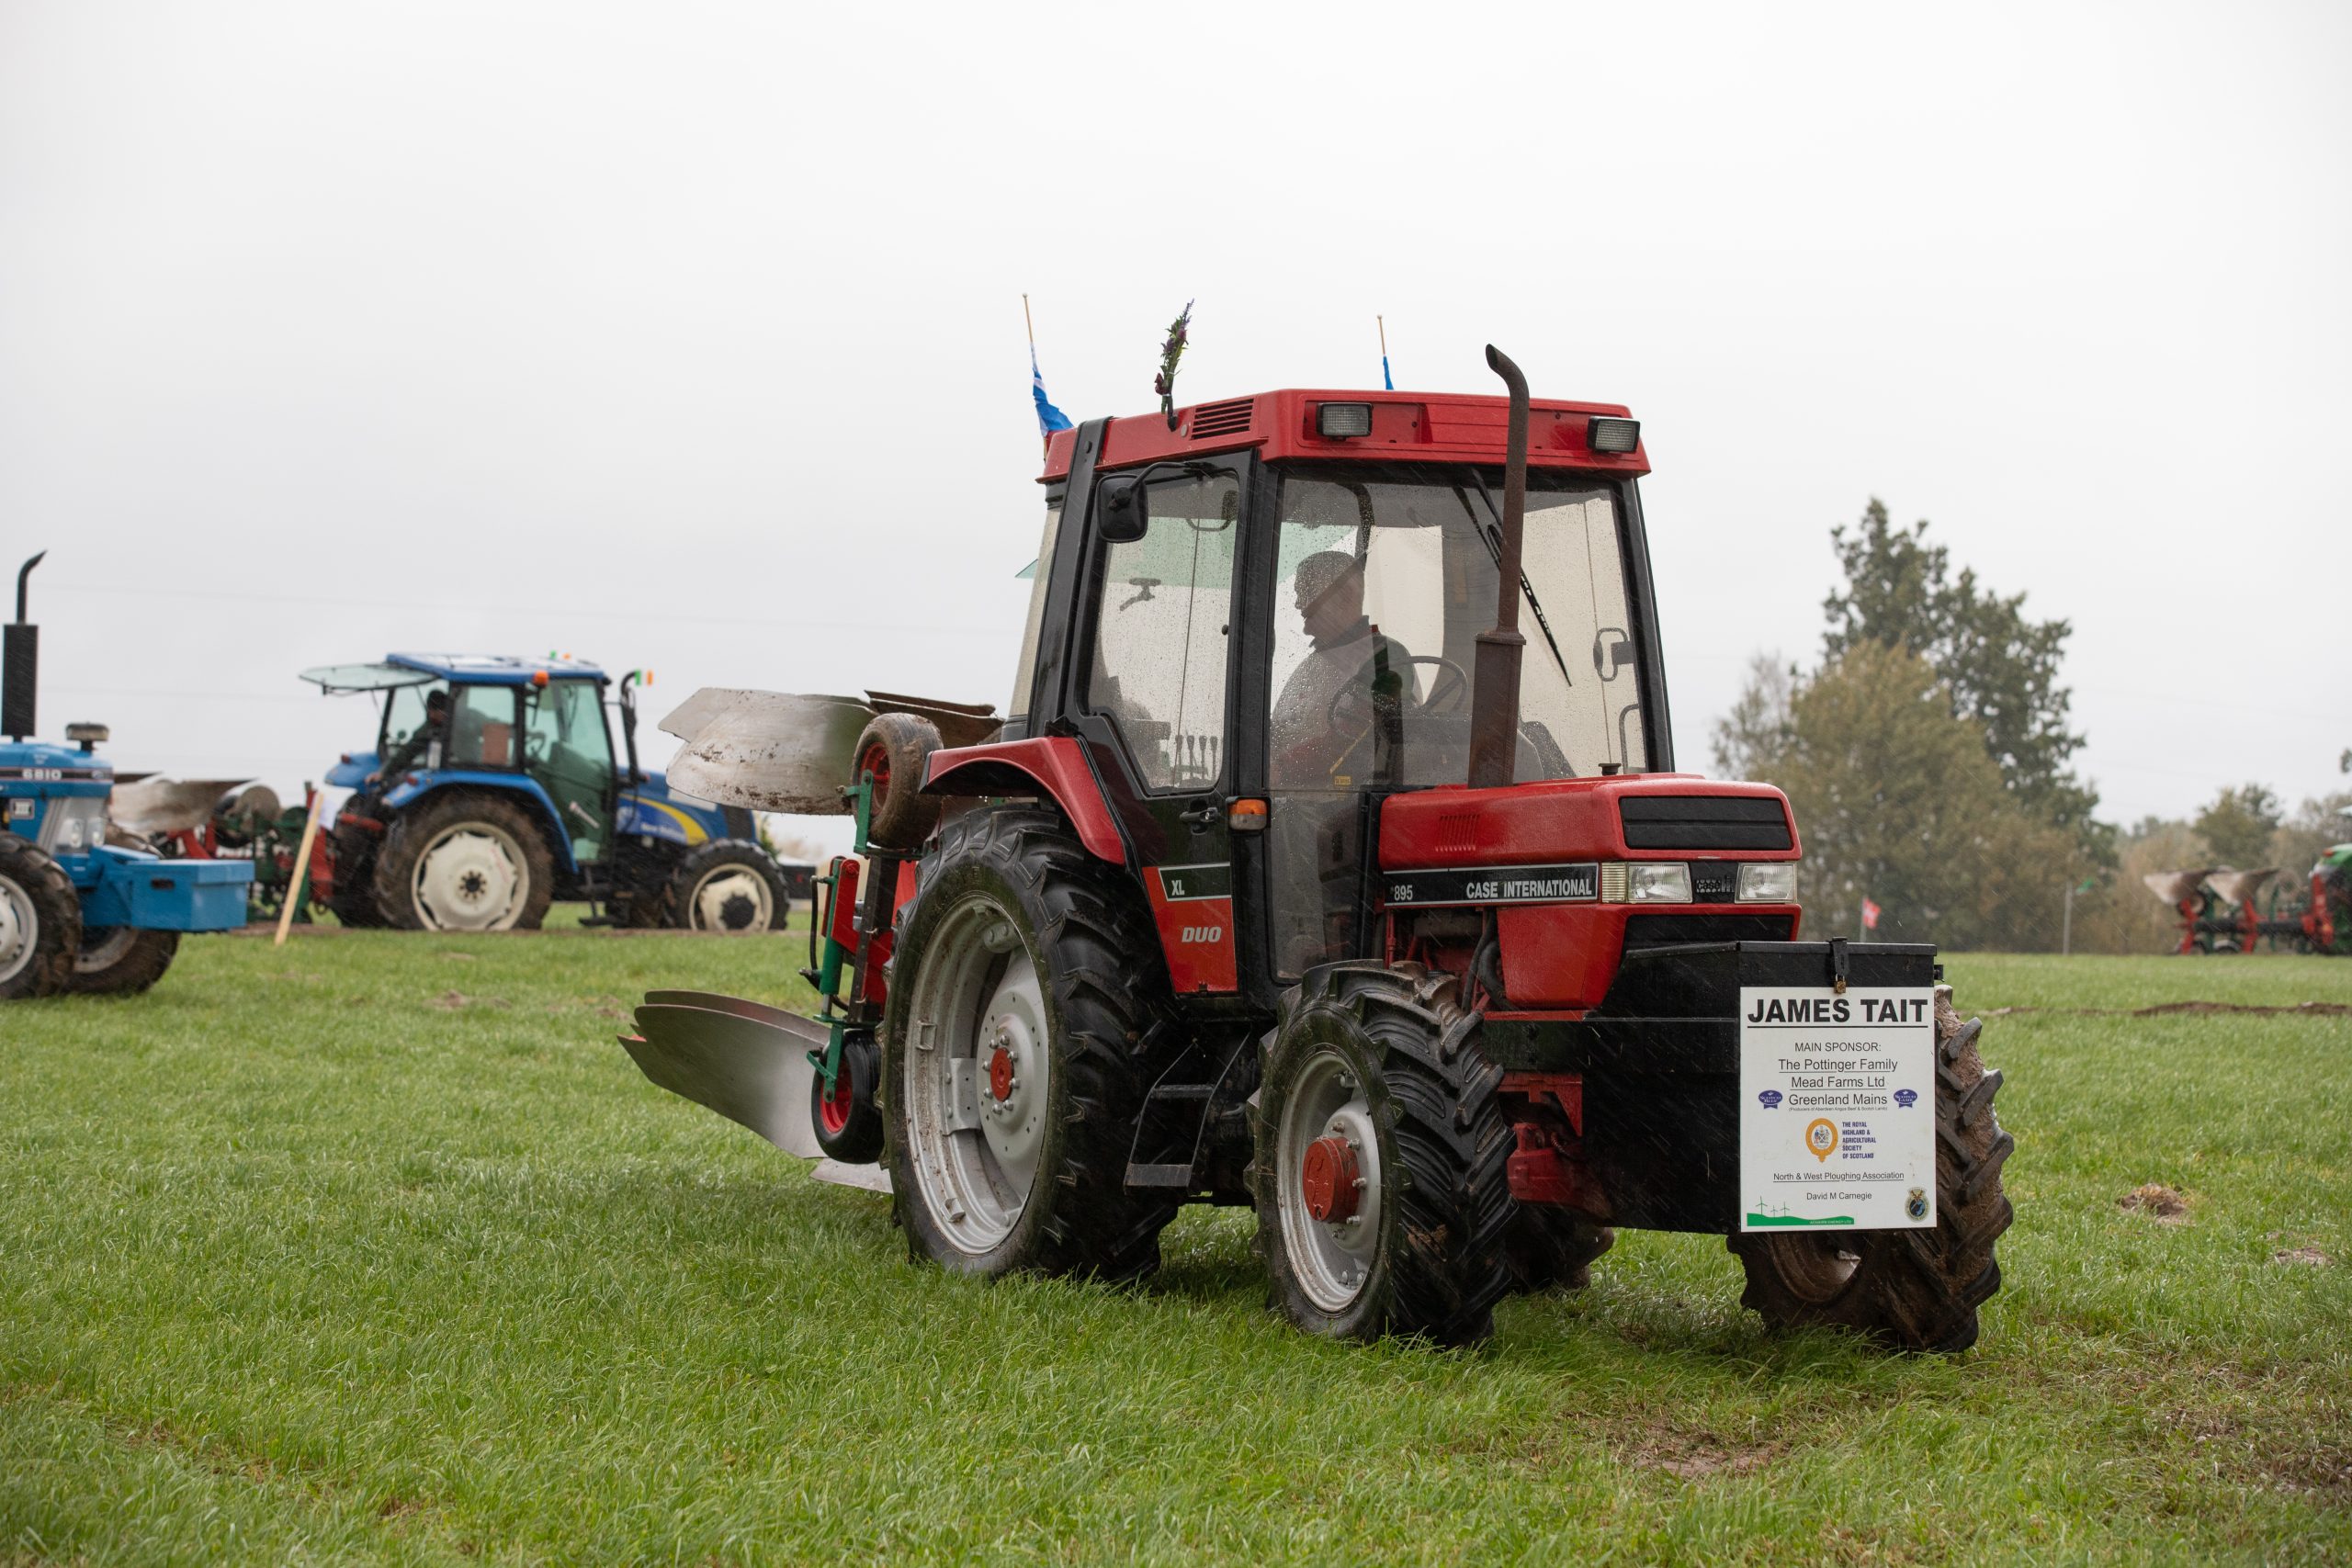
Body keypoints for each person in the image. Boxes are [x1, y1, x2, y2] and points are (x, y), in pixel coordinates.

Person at [1269, 551, 1417, 787]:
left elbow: (1353, 740)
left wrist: (1282, 768)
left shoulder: (1384, 657)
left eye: (1307, 591)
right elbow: (1280, 730)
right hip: (1296, 794)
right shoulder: (1313, 663)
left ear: (1346, 595)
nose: (1298, 603)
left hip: (1353, 799)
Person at [368, 689, 448, 785]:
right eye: (431, 711)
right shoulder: (429, 728)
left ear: (446, 710)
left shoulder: (458, 723)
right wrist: (384, 772)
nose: (432, 715)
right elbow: (408, 751)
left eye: (437, 711)